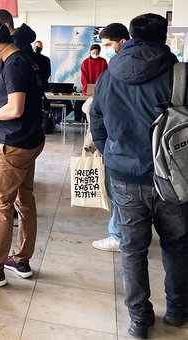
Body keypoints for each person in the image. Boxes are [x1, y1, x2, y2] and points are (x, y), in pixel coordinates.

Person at [91, 13, 188, 339]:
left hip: (124, 176)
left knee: (133, 251)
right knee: (176, 246)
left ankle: (138, 321)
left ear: (129, 37)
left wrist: (110, 153)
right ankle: (176, 311)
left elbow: (97, 119)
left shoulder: (108, 74)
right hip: (172, 179)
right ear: (164, 38)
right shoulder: (180, 74)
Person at [0, 20, 45, 286]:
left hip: (14, 143)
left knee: (0, 205)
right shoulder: (24, 59)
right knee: (24, 201)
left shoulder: (14, 64)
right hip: (30, 140)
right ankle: (21, 259)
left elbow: (15, 109)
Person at [90, 23, 130, 252]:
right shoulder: (173, 70)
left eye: (107, 45)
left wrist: (103, 145)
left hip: (118, 146)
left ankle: (117, 235)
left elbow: (96, 111)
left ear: (122, 42)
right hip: (157, 149)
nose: (104, 50)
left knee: (118, 194)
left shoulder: (112, 72)